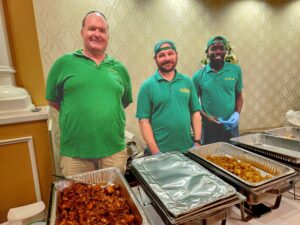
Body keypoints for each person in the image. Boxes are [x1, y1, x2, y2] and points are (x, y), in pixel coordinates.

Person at [46, 11, 133, 176]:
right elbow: (54, 101)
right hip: (75, 156)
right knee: (79, 201)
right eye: (92, 29)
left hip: (114, 152)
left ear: (107, 35)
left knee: (113, 200)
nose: (97, 34)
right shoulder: (63, 64)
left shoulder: (119, 68)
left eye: (102, 30)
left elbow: (123, 102)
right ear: (82, 32)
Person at [136, 40, 202, 155]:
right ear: (155, 59)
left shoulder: (187, 81)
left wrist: (197, 142)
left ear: (176, 55)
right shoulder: (147, 86)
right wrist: (155, 152)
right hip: (160, 151)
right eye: (161, 55)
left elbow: (195, 113)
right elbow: (143, 122)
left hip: (187, 149)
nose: (167, 58)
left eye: (170, 53)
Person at [192, 36, 243, 144]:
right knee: (209, 158)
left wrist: (236, 115)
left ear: (225, 51)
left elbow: (239, 96)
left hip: (231, 129)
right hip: (209, 130)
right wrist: (207, 117)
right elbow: (193, 104)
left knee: (234, 157)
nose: (218, 51)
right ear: (207, 52)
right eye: (213, 48)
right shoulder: (198, 76)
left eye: (221, 48)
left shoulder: (235, 70)